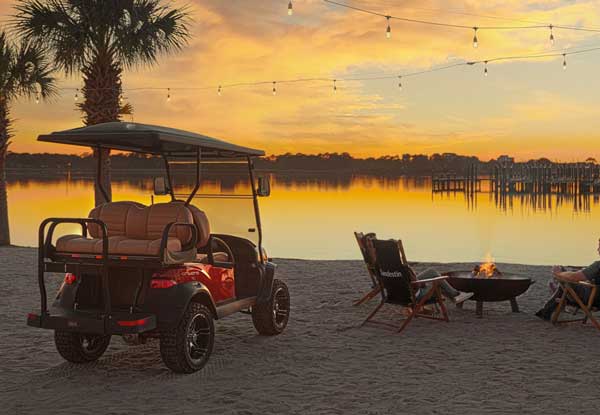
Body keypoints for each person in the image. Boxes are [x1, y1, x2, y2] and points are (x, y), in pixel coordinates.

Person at [536, 239, 600, 320]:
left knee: (565, 280)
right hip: (595, 297)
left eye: (599, 247)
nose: (597, 250)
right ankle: (558, 295)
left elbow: (575, 277)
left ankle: (557, 298)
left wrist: (558, 273)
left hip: (592, 299)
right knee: (565, 278)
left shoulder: (598, 265)